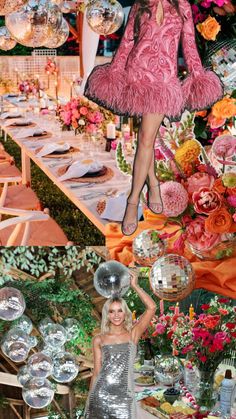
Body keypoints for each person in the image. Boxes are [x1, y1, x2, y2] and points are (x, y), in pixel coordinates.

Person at [84, 0, 223, 236]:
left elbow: (189, 46)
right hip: (136, 77)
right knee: (145, 140)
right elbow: (127, 43)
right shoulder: (141, 5)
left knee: (146, 139)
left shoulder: (182, 7)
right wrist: (115, 73)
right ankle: (150, 188)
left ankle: (133, 199)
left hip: (163, 83)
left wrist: (198, 76)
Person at [84, 270, 156, 418]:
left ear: (125, 313)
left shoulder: (133, 334)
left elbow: (152, 308)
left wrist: (135, 286)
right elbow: (97, 372)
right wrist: (89, 402)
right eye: (112, 311)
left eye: (119, 311)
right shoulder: (99, 339)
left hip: (124, 400)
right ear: (107, 314)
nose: (116, 315)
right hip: (101, 396)